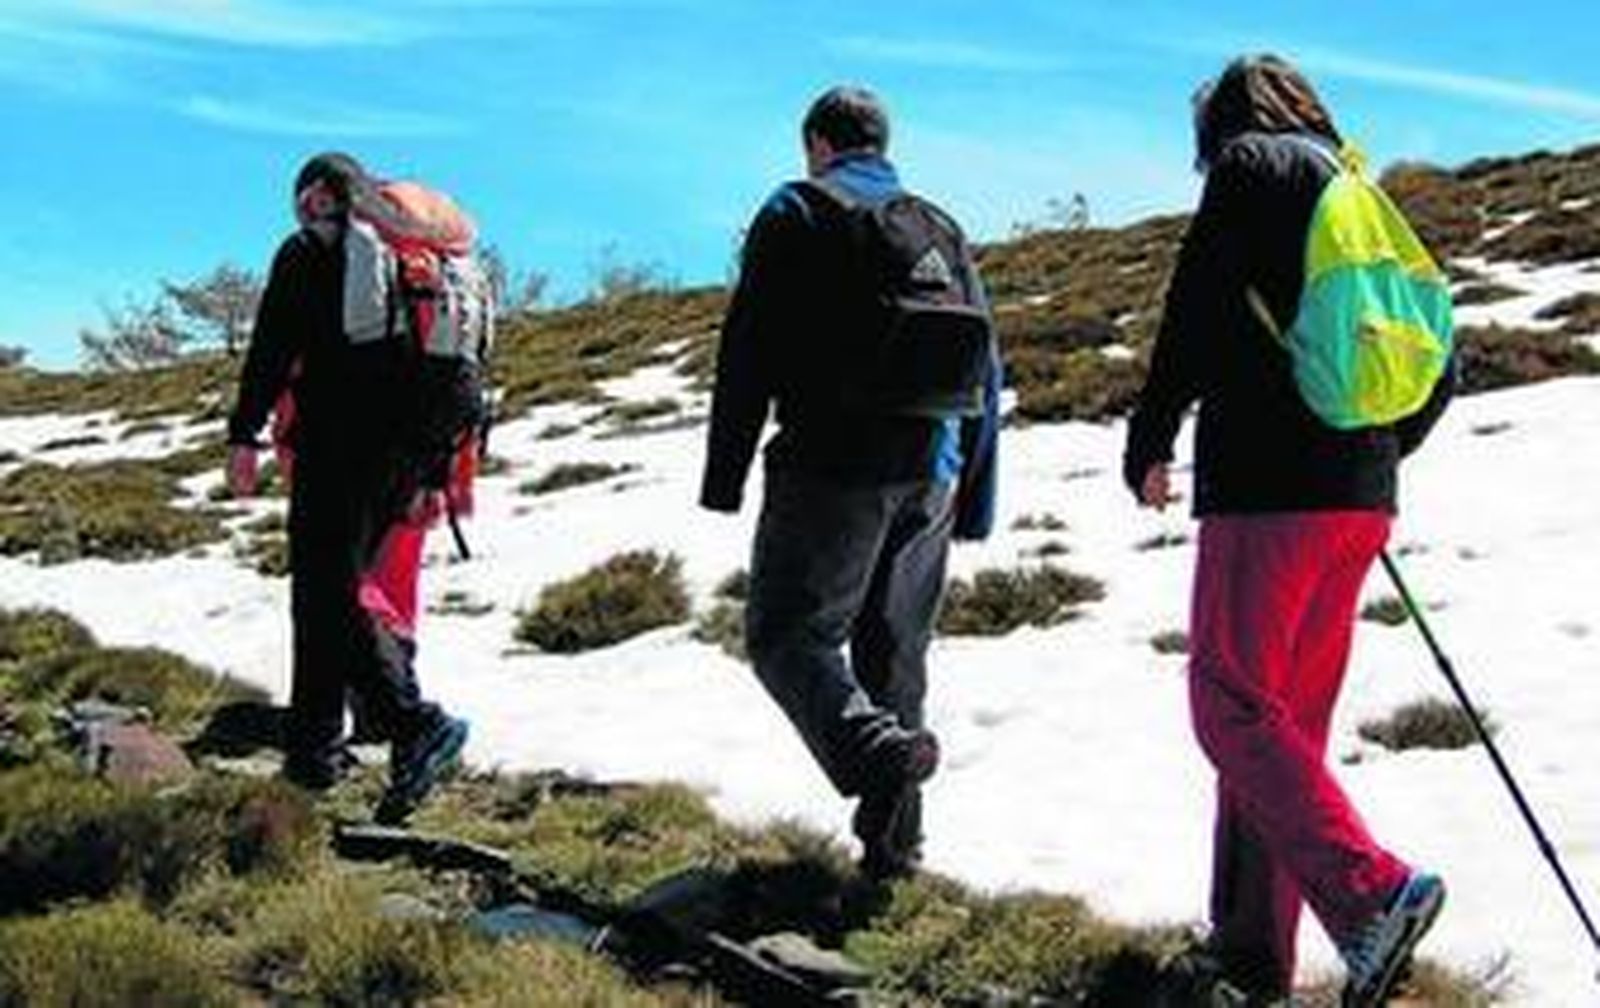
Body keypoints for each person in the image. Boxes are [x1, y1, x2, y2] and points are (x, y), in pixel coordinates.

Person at [1123, 55, 1454, 1006]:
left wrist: (1150, 434)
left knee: (1229, 707)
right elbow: (1442, 347)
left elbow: (1193, 307)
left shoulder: (1250, 167)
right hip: (1357, 493)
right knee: (1282, 730)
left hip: (1268, 488)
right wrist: (1372, 448)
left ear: (1218, 125)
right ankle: (1252, 954)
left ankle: (1374, 892)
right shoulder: (1355, 185)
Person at [699, 85, 1001, 880]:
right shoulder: (939, 224)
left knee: (786, 636)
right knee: (895, 657)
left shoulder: (796, 210)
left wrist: (723, 476)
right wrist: (976, 499)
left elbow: (749, 346)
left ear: (817, 144)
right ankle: (896, 851)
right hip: (932, 472)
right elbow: (987, 361)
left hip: (833, 467)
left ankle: (871, 753)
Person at [227, 151, 469, 823]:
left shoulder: (305, 256)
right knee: (336, 592)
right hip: (405, 453)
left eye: (309, 200)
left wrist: (244, 434)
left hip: (338, 448)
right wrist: (432, 465)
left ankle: (413, 723)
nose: (307, 213)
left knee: (330, 594)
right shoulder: (409, 255)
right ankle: (313, 753)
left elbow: (272, 348)